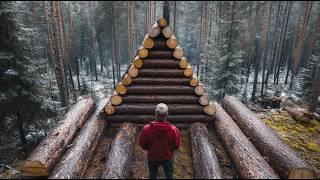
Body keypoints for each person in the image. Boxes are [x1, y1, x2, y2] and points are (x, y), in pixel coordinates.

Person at [139, 103, 181, 179]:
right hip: (168, 158)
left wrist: (150, 148)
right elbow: (177, 146)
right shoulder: (174, 129)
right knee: (169, 174)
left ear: (155, 113)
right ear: (167, 114)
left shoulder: (146, 129)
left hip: (152, 157)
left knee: (152, 174)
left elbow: (142, 144)